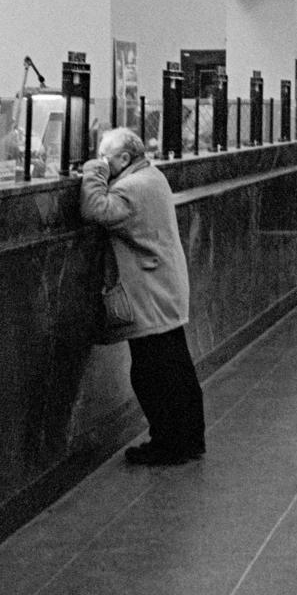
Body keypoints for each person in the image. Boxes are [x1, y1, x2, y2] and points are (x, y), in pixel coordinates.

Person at [80, 127, 206, 465]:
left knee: (153, 373)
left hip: (150, 291)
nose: (103, 163)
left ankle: (168, 444)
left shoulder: (132, 187)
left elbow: (95, 209)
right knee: (176, 366)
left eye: (106, 157)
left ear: (123, 158)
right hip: (163, 286)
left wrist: (92, 170)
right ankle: (189, 438)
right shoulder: (152, 176)